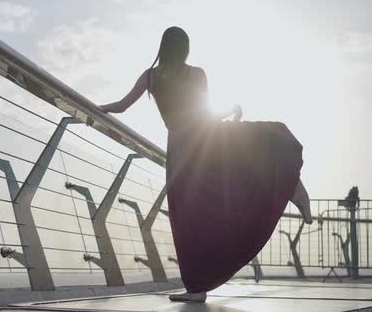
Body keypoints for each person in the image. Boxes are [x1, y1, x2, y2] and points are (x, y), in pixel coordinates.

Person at [99, 26, 312, 303]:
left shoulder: (151, 76)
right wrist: (232, 109)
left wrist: (98, 109)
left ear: (163, 48)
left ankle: (198, 287)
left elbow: (122, 105)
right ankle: (291, 186)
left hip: (184, 150)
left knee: (189, 218)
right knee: (250, 163)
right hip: (205, 140)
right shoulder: (195, 73)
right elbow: (204, 112)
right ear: (185, 49)